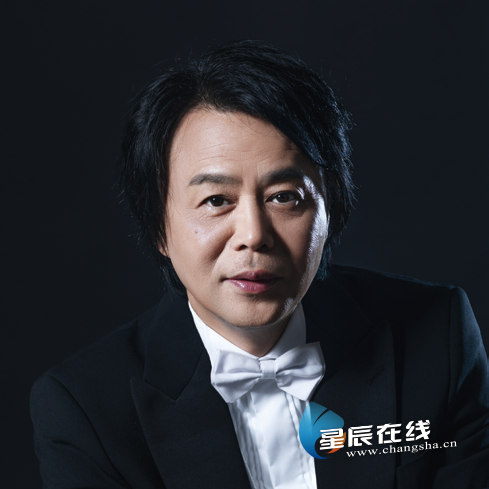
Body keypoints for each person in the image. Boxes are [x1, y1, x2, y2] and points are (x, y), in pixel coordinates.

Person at [30, 40, 488, 489]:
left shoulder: (435, 337)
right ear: (158, 230)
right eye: (216, 200)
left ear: (331, 209)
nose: (253, 235)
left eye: (284, 196)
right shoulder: (85, 411)